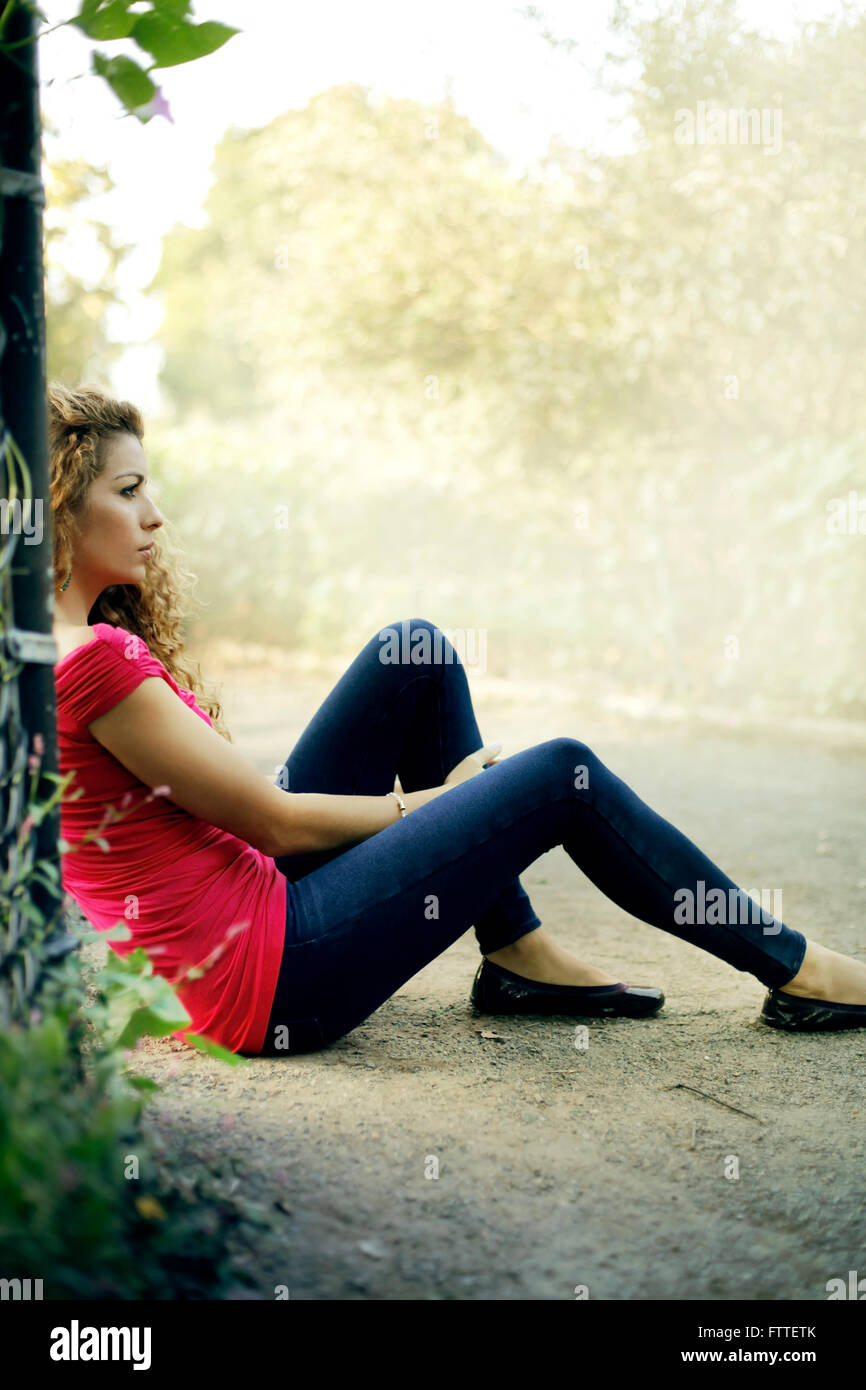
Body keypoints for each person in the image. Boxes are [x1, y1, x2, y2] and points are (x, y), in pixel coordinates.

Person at [49, 382, 866, 1058]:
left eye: (149, 488)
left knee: (414, 652)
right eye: (128, 492)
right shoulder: (94, 664)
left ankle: (517, 951)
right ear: (57, 508)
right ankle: (796, 969)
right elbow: (276, 824)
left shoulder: (49, 650)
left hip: (233, 928)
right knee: (559, 775)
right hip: (264, 978)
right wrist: (441, 798)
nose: (154, 514)